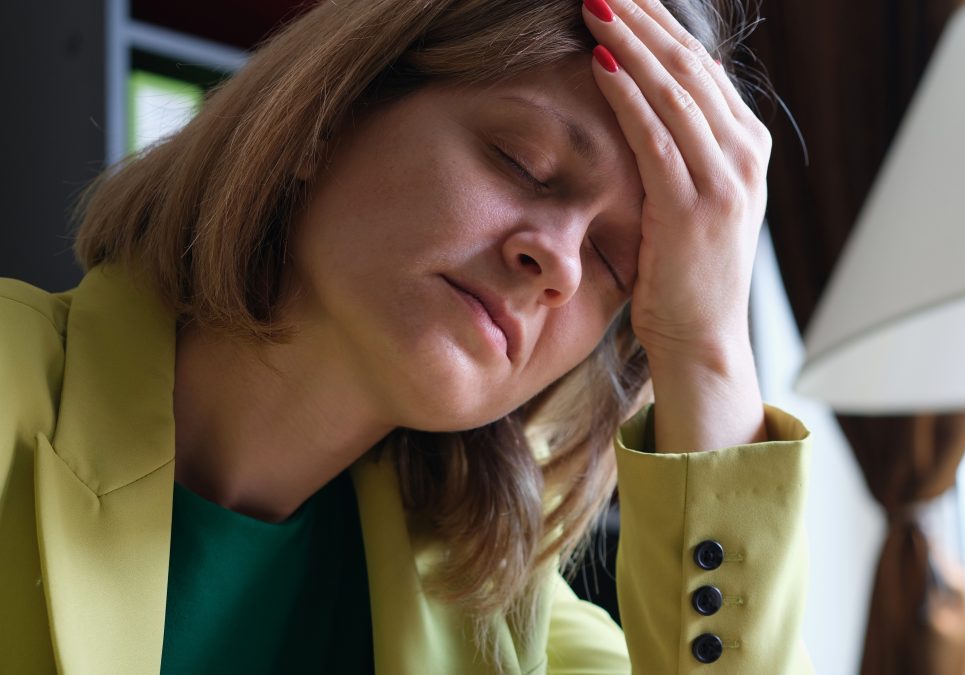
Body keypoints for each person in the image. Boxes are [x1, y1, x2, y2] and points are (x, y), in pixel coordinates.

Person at [0, 0, 814, 672]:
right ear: (328, 116)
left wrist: (706, 347)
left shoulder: (499, 615)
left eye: (612, 259)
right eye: (521, 161)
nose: (558, 262)